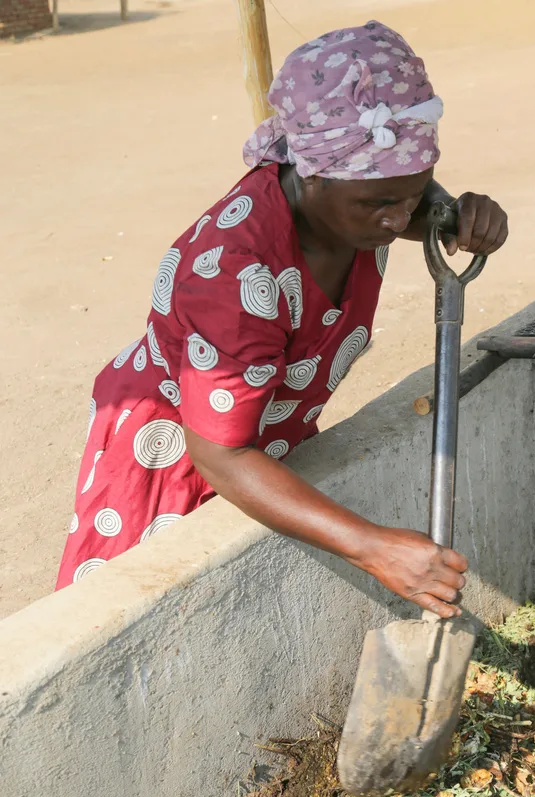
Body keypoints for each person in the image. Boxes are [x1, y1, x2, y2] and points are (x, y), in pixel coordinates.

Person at [57, 20, 508, 618]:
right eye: (379, 203)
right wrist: (373, 547)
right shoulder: (237, 275)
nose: (400, 222)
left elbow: (413, 204)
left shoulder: (364, 206)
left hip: (265, 440)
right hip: (180, 456)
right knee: (154, 621)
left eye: (412, 193)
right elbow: (221, 456)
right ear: (312, 173)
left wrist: (460, 215)